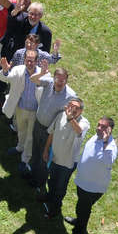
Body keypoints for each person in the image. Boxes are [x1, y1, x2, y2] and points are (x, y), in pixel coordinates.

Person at [65, 116, 117, 234]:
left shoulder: (111, 146)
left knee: (83, 210)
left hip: (92, 187)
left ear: (110, 130)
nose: (99, 128)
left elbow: (108, 163)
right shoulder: (96, 137)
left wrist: (105, 142)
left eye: (104, 127)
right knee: (81, 207)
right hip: (83, 182)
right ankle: (79, 220)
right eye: (98, 125)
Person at [30, 61, 76, 192]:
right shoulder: (49, 82)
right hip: (38, 124)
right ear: (54, 78)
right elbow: (32, 79)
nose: (59, 82)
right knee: (35, 150)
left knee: (44, 157)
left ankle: (39, 182)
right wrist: (42, 73)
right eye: (57, 79)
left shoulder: (71, 96)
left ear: (66, 81)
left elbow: (77, 110)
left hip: (50, 131)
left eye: (63, 80)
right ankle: (33, 174)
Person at [43, 98, 88, 220]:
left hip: (68, 163)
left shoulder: (84, 123)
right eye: (71, 105)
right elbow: (51, 133)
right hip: (54, 157)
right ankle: (48, 196)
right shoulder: (60, 116)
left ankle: (55, 208)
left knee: (60, 187)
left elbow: (79, 131)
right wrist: (46, 149)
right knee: (51, 180)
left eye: (76, 107)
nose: (73, 109)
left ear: (81, 111)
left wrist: (70, 118)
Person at [0, 51, 41, 173]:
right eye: (28, 60)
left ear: (37, 61)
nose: (30, 63)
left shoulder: (42, 75)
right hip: (20, 108)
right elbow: (4, 78)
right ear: (25, 60)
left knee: (30, 137)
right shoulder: (18, 70)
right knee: (21, 130)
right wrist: (5, 70)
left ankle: (25, 159)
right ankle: (20, 147)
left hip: (34, 111)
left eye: (32, 60)